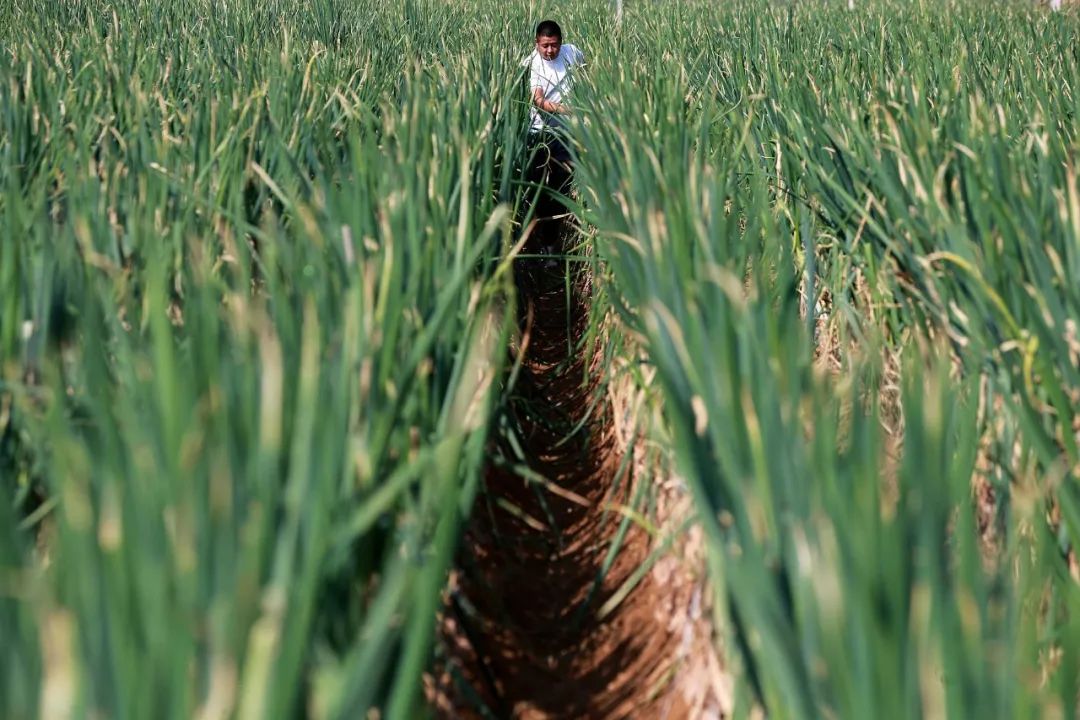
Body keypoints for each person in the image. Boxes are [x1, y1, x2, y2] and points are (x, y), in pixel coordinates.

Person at [523, 20, 585, 263]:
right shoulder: (534, 63)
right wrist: (569, 110)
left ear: (562, 42)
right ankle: (541, 246)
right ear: (537, 43)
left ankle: (557, 246)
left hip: (566, 136)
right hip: (540, 135)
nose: (550, 51)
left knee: (562, 189)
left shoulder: (572, 52)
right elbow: (537, 100)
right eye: (545, 46)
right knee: (541, 191)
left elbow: (586, 68)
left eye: (554, 45)